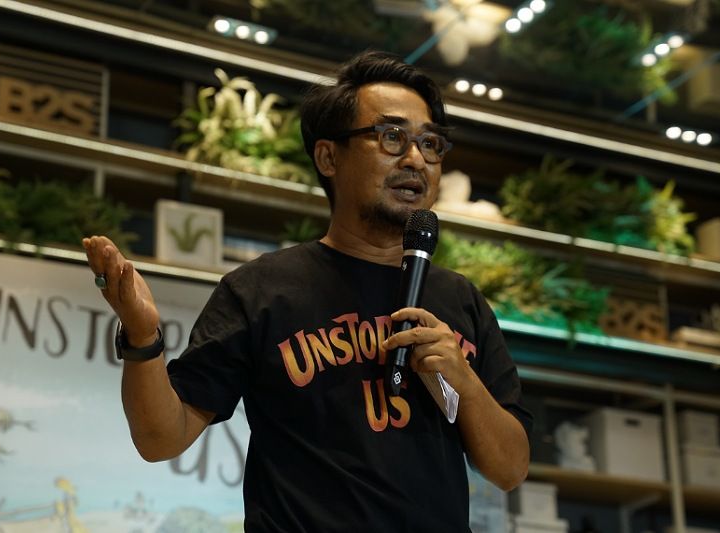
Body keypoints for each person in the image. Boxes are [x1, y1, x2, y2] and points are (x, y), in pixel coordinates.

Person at [83, 50, 531, 532]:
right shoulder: (262, 290)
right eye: (392, 136)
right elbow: (161, 439)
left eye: (430, 143)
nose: (416, 159)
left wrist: (464, 380)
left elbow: (509, 469)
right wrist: (142, 337)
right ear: (328, 156)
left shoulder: (461, 301)